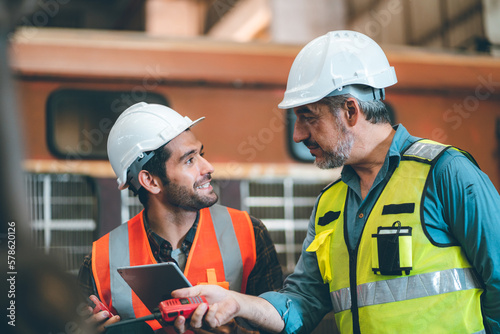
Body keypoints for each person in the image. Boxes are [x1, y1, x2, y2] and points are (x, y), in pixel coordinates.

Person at [172, 30, 500, 333]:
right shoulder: (331, 204)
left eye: (308, 117)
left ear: (351, 111)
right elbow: (303, 303)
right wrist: (237, 303)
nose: (299, 134)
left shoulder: (445, 173)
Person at [78, 102, 283, 333]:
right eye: (189, 160)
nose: (209, 167)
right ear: (150, 181)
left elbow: (282, 324)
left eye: (200, 154)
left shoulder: (249, 234)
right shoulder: (100, 260)